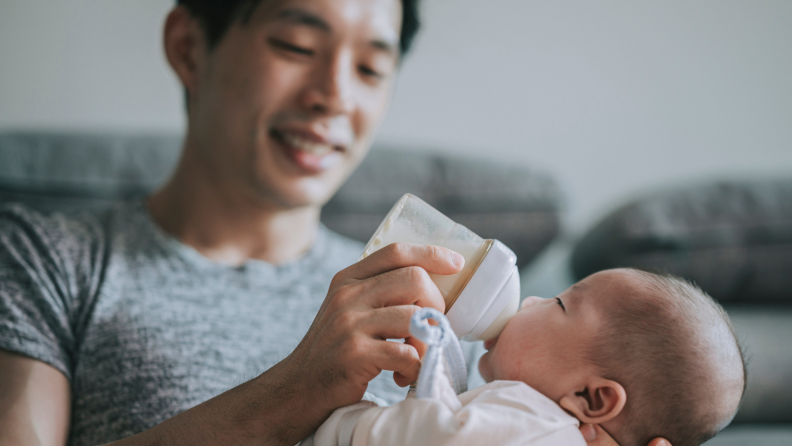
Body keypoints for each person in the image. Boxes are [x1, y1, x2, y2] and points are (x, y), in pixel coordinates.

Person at [0, 1, 673, 446]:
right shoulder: (46, 259)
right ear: (188, 46)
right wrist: (291, 392)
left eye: (372, 67)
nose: (335, 96)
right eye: (296, 45)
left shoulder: (429, 301)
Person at [306, 268, 746, 446]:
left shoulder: (536, 424)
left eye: (558, 304)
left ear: (590, 398)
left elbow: (428, 436)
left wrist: (333, 416)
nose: (531, 299)